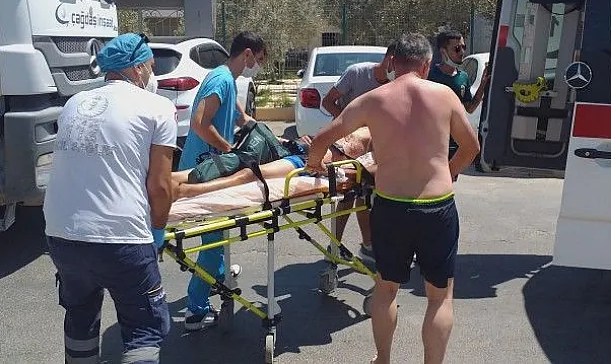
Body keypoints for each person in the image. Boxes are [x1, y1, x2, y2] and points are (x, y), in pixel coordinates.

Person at [306, 33, 480, 364]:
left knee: (386, 289)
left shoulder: (373, 100)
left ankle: (383, 359)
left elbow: (322, 139)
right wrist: (447, 172)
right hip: (436, 206)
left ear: (393, 63)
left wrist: (314, 165)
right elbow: (471, 147)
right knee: (439, 297)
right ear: (427, 65)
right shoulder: (444, 95)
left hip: (391, 207)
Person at [43, 33, 177, 364]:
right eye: (150, 65)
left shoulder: (74, 103)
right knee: (143, 329)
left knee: (80, 316)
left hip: (61, 236)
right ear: (137, 68)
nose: (152, 73)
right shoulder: (158, 107)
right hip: (122, 239)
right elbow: (160, 186)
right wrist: (157, 230)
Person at [177, 31, 266, 331]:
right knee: (214, 238)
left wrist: (267, 137)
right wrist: (230, 151)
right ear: (248, 54)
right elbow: (199, 123)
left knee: (217, 233)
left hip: (207, 165)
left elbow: (241, 118)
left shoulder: (226, 78)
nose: (258, 67)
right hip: (203, 169)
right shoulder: (222, 80)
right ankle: (195, 312)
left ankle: (218, 274)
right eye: (259, 60)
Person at [321, 41, 396, 262]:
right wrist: (348, 123)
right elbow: (328, 101)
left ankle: (368, 245)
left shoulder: (394, 85)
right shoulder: (357, 73)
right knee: (347, 198)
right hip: (349, 146)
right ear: (390, 59)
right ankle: (334, 246)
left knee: (365, 196)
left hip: (373, 147)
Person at [171, 128, 374, 201]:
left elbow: (363, 172)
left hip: (308, 163)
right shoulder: (366, 117)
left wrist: (330, 170)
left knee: (250, 173)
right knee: (234, 163)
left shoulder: (378, 138)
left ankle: (188, 190)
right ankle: (169, 179)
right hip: (302, 151)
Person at [428, 29, 490, 162]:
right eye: (457, 49)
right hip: (431, 142)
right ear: (443, 52)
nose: (462, 52)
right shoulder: (430, 74)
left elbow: (470, 108)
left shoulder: (463, 77)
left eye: (463, 47)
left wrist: (483, 84)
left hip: (454, 143)